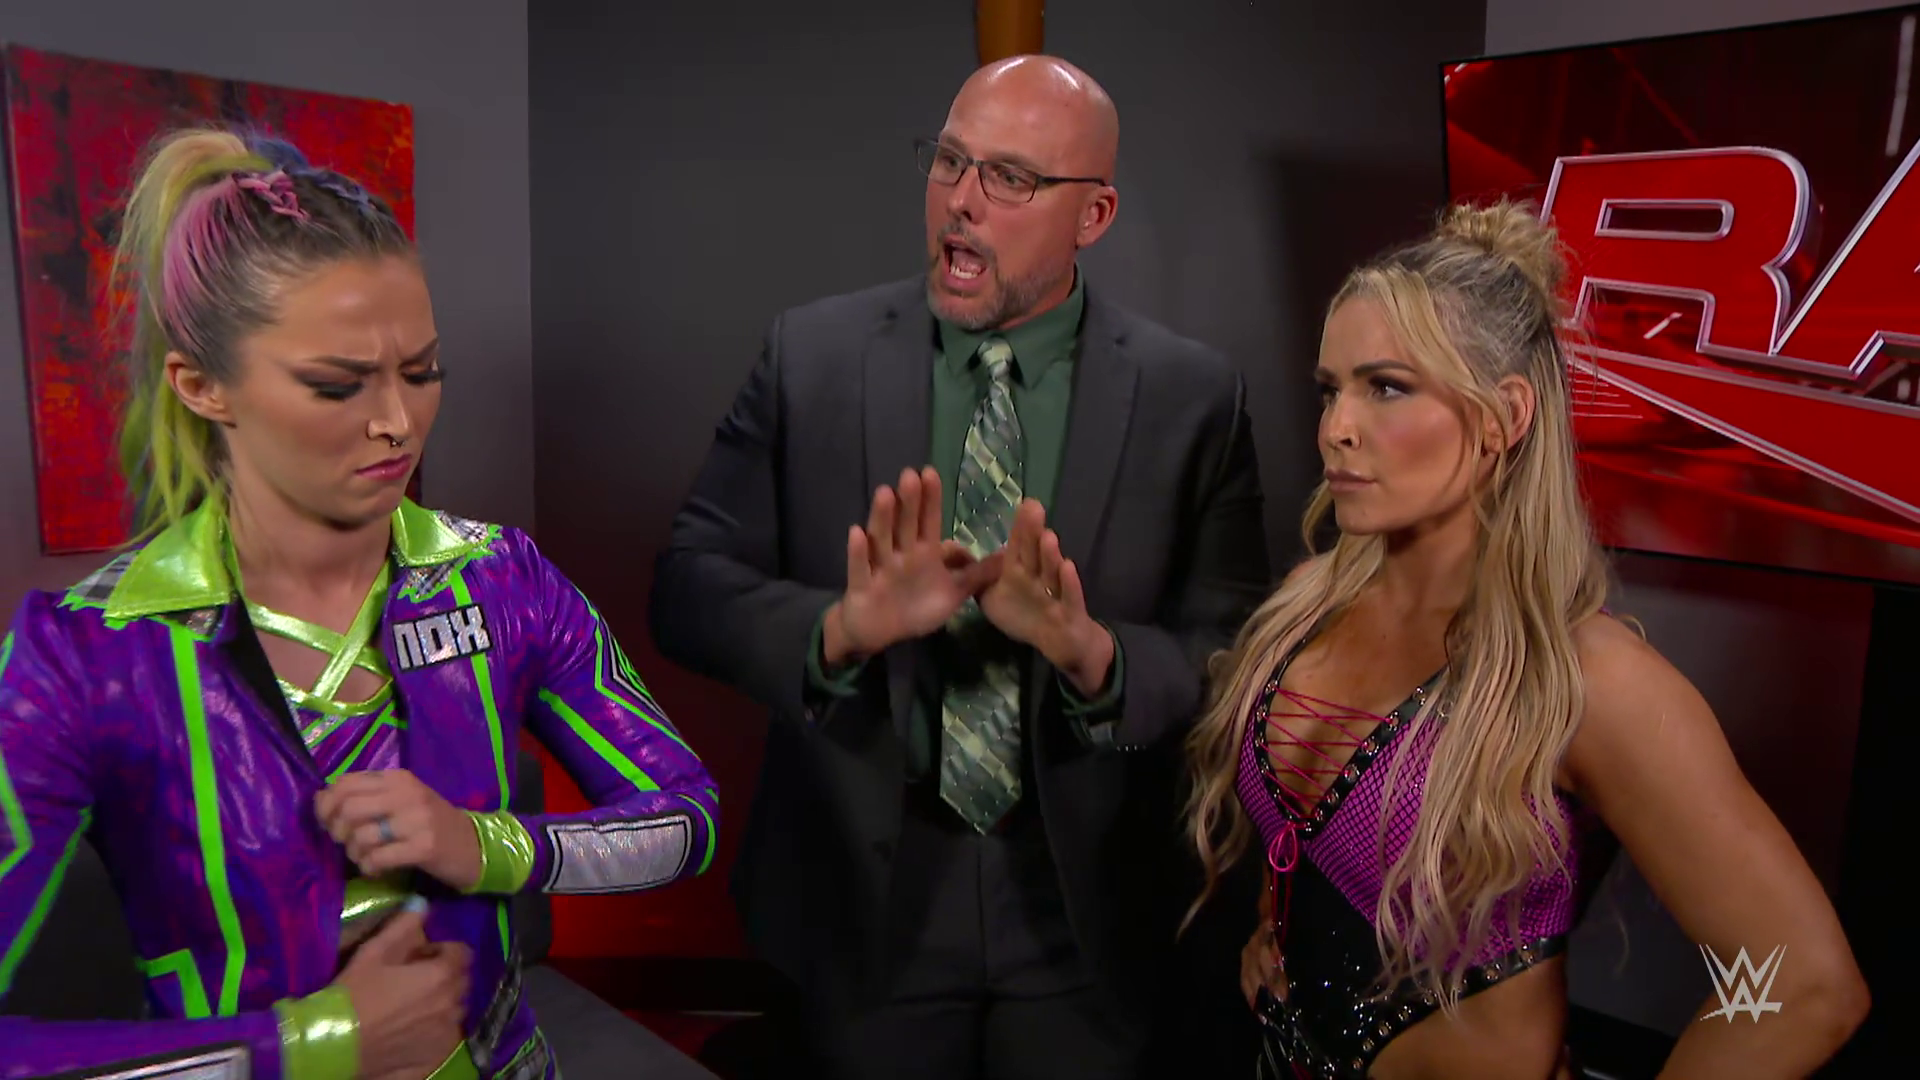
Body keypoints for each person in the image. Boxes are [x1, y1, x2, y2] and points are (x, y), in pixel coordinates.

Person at [0, 128, 719, 1080]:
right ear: (202, 386)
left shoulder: (500, 579)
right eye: (337, 385)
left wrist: (489, 845)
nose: (397, 423)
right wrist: (310, 1046)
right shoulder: (86, 653)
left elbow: (687, 820)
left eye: (422, 372)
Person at [650, 54, 1270, 1079]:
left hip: (1089, 913)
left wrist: (1094, 655)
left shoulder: (1193, 397)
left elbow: (1236, 653)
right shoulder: (811, 357)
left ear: (1094, 214)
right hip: (865, 900)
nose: (962, 201)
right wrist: (837, 632)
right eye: (949, 161)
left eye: (1010, 178)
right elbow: (684, 586)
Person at [1183, 201, 1869, 1079]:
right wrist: (1277, 932)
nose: (1335, 428)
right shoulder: (1304, 604)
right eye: (1331, 388)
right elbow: (1306, 843)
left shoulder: (1588, 680)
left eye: (1385, 387)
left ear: (1505, 415)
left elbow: (1804, 984)